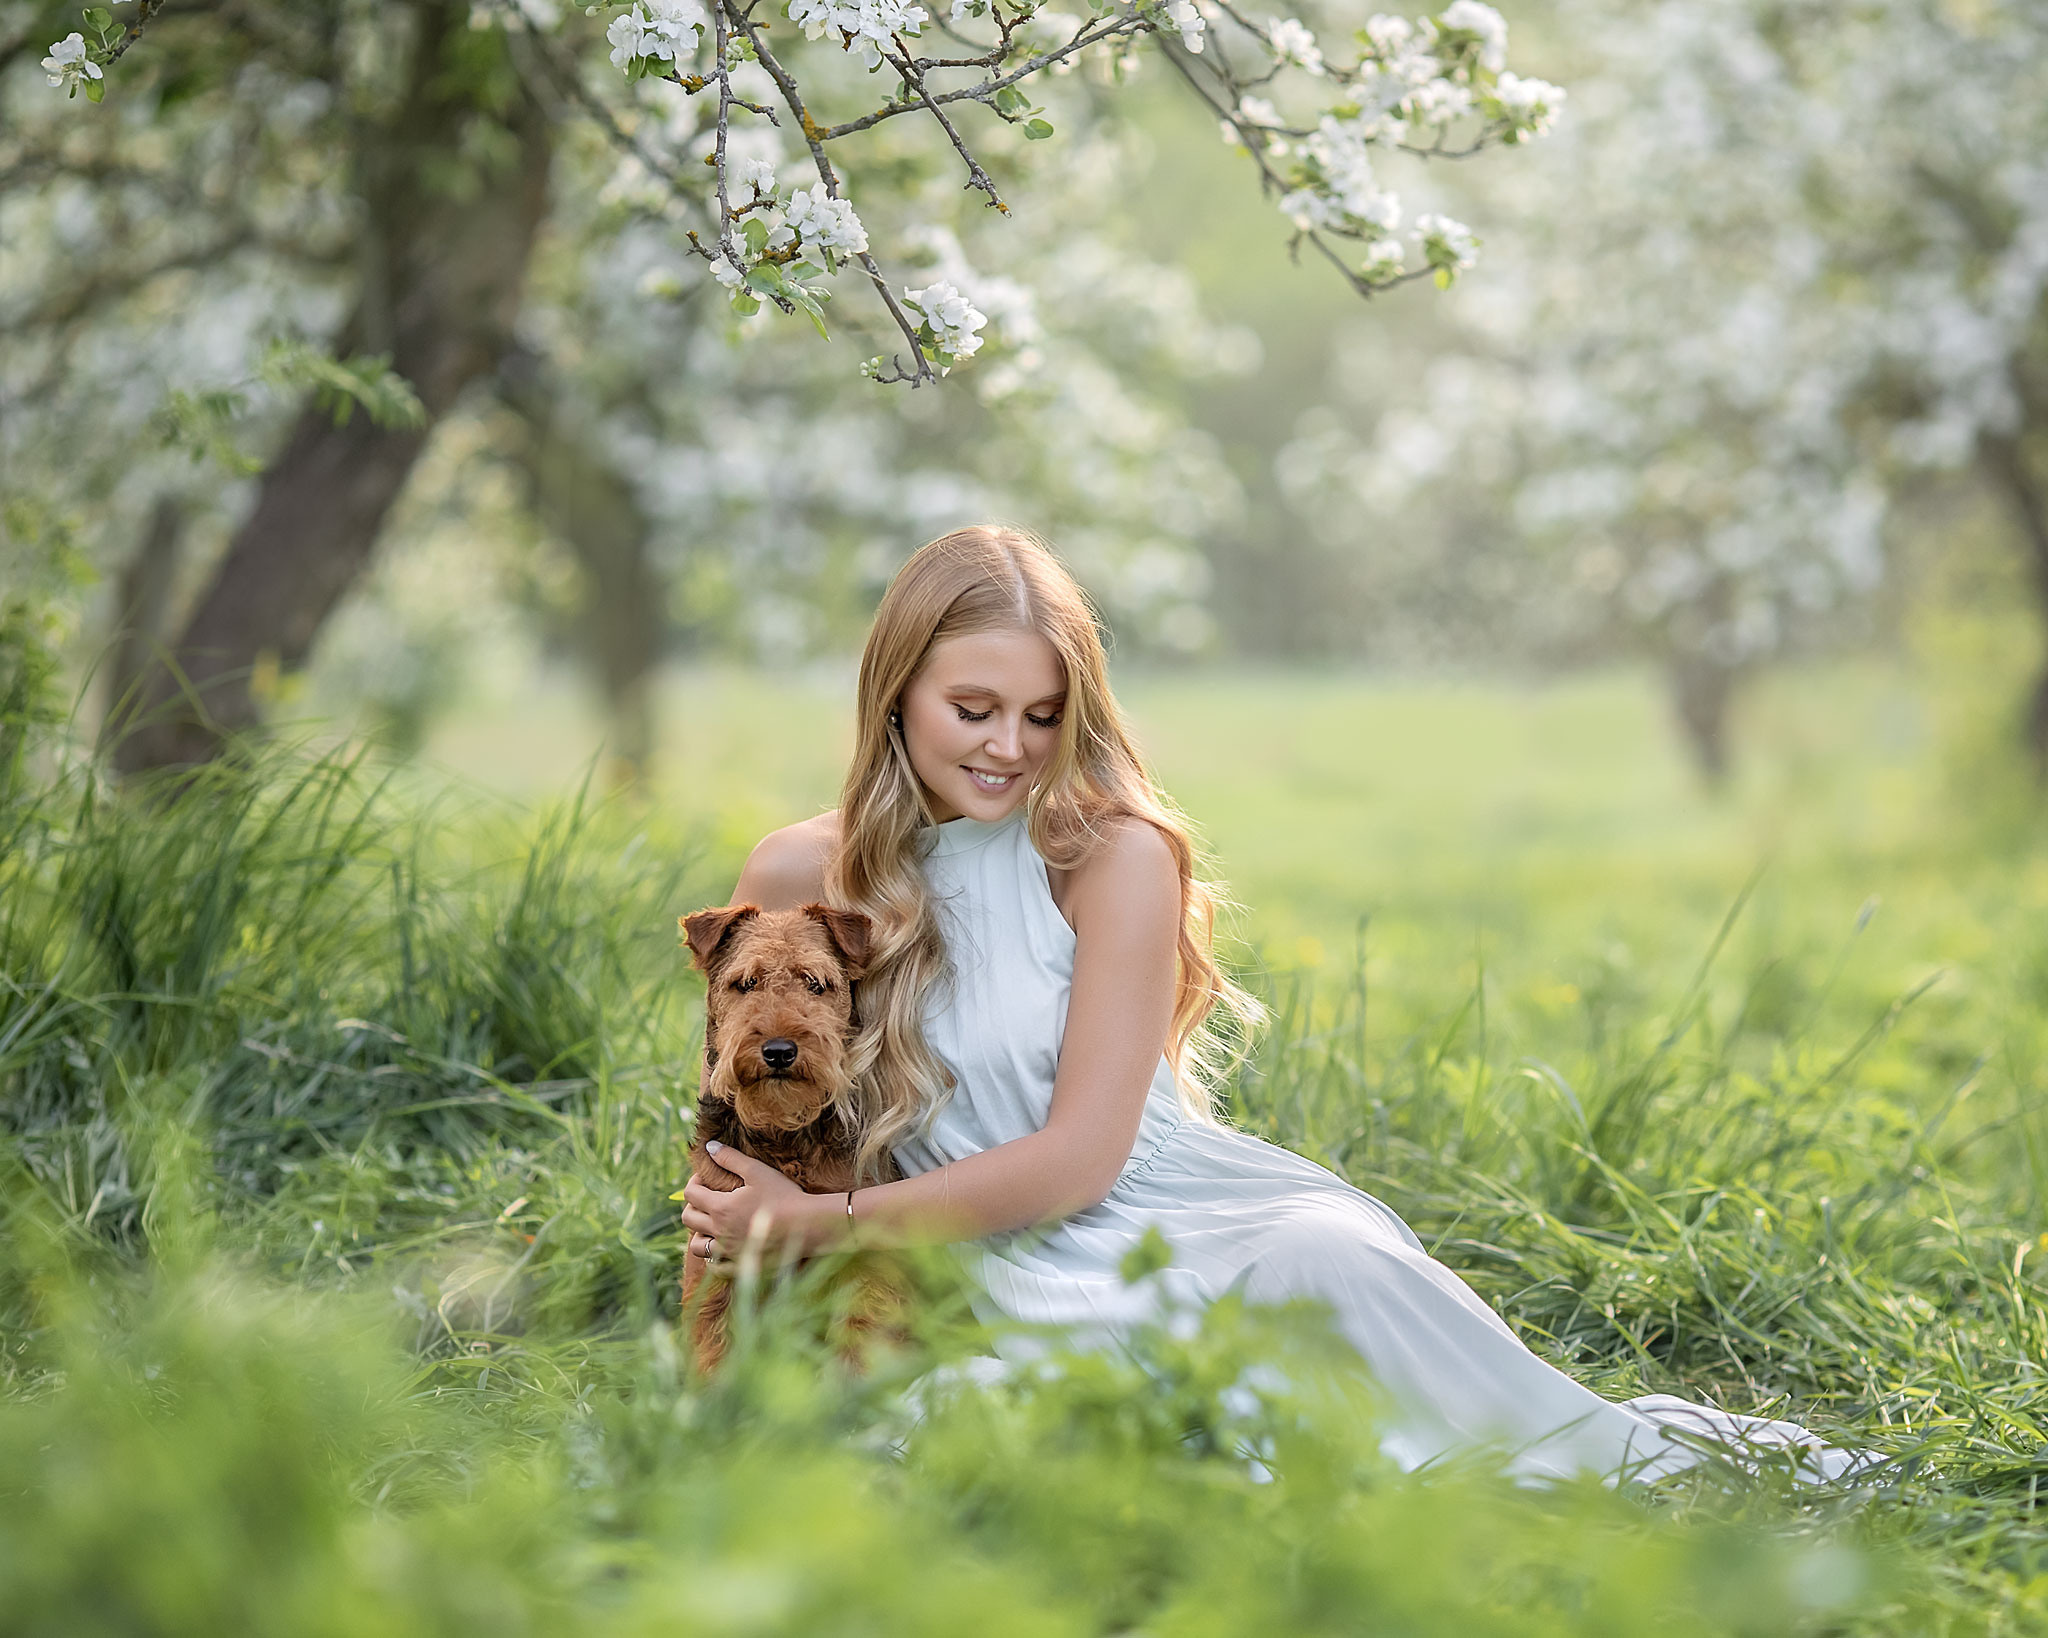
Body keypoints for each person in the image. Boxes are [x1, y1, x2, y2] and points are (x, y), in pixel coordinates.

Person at [677, 524, 1872, 1485]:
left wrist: (821, 1230)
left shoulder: (1112, 857)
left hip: (1156, 1221)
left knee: (1327, 1271)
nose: (1009, 748)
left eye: (1043, 715)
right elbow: (737, 1126)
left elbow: (1086, 1156)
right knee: (996, 1427)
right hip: (943, 1257)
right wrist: (758, 1242)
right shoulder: (797, 876)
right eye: (971, 709)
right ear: (896, 694)